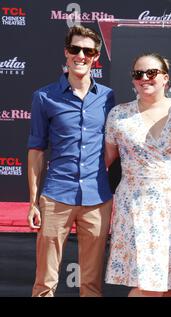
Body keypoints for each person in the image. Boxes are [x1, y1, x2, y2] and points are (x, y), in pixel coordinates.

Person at [27, 25, 115, 297]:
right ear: (66, 52)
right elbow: (36, 150)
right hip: (56, 197)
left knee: (91, 285)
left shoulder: (107, 97)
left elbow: (112, 145)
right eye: (75, 49)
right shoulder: (44, 97)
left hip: (97, 198)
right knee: (45, 283)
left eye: (88, 51)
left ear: (96, 56)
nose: (81, 55)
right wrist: (33, 201)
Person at [104, 53, 171, 297]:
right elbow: (106, 161)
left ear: (166, 78)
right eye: (138, 74)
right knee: (146, 282)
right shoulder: (118, 115)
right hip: (135, 206)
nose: (144, 78)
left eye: (151, 73)